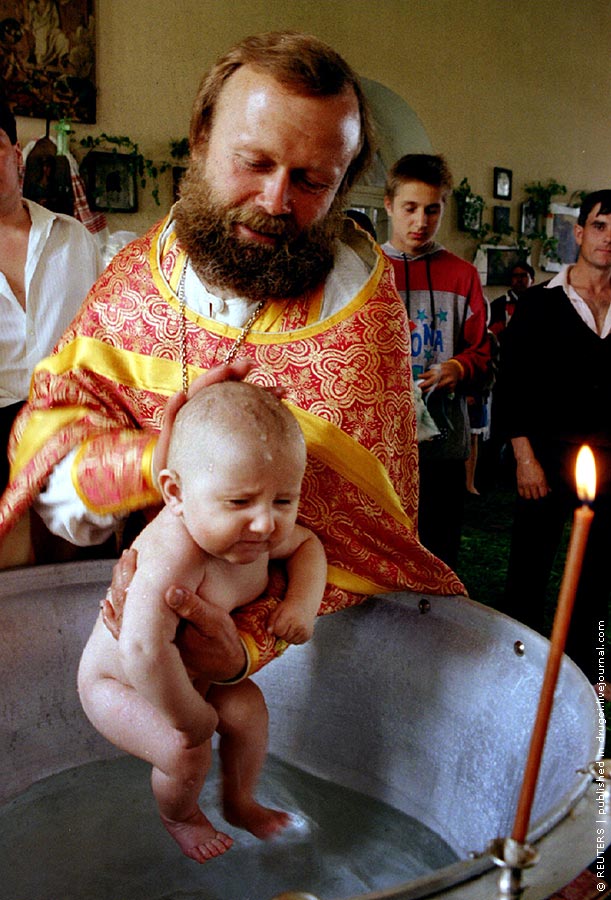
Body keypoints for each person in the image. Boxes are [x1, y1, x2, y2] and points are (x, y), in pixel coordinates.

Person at [0, 31, 465, 686]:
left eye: (310, 181)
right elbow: (50, 463)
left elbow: (369, 541)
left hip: (296, 666)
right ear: (199, 140)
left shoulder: (357, 317)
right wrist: (155, 458)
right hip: (123, 630)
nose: (275, 202)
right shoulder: (136, 278)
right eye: (253, 162)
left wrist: (247, 644)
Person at [78, 381, 326, 862]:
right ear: (176, 493)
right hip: (121, 684)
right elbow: (143, 649)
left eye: (283, 500)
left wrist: (300, 604)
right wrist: (188, 719)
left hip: (194, 677)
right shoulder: (175, 553)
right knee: (182, 750)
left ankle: (239, 799)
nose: (265, 524)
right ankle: (180, 815)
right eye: (239, 502)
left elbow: (308, 546)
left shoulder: (256, 534)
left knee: (249, 711)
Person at [496, 190, 611, 686]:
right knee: (529, 573)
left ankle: (591, 673)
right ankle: (514, 675)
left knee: (598, 581)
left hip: (609, 464)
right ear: (580, 232)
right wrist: (525, 459)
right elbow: (512, 384)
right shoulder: (541, 304)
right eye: (601, 225)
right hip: (544, 458)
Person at [0, 98, 102, 562]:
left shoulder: (73, 237)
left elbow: (102, 335)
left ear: (15, 154)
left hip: (68, 419)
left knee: (77, 557)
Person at [381, 153, 490, 568]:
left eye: (432, 209)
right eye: (410, 208)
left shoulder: (463, 275)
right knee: (386, 558)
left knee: (438, 555)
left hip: (444, 446)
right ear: (390, 204)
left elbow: (484, 354)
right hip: (383, 447)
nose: (420, 222)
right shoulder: (367, 272)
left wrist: (459, 367)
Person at [489, 262, 535, 341]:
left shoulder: (541, 303)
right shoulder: (498, 305)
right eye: (515, 276)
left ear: (532, 280)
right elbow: (490, 335)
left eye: (523, 276)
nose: (519, 279)